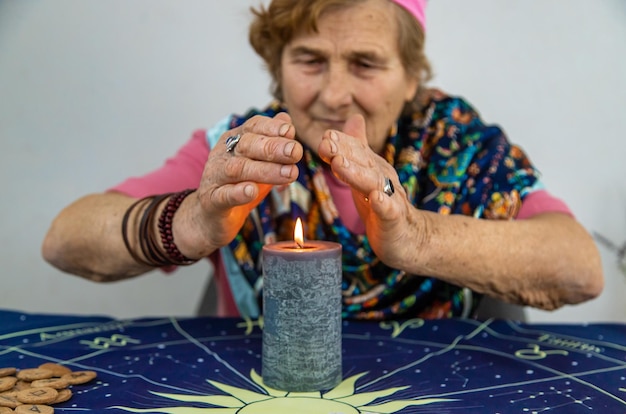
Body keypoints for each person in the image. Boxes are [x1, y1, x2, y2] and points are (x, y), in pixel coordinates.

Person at [42, 0, 603, 320]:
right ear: (277, 70)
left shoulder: (463, 151)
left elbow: (579, 269)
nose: (335, 94)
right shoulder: (245, 150)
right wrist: (190, 219)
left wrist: (415, 238)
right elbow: (65, 240)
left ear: (411, 78)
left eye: (365, 64)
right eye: (309, 60)